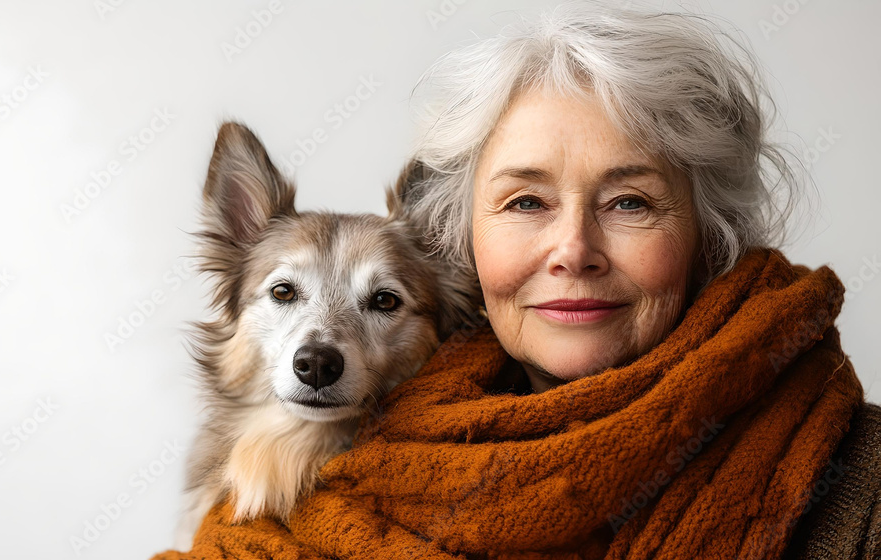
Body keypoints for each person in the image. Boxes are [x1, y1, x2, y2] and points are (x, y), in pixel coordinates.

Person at [152, 3, 880, 559]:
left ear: (710, 237)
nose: (574, 251)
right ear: (464, 237)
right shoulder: (265, 508)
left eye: (629, 202)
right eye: (526, 201)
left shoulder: (865, 488)